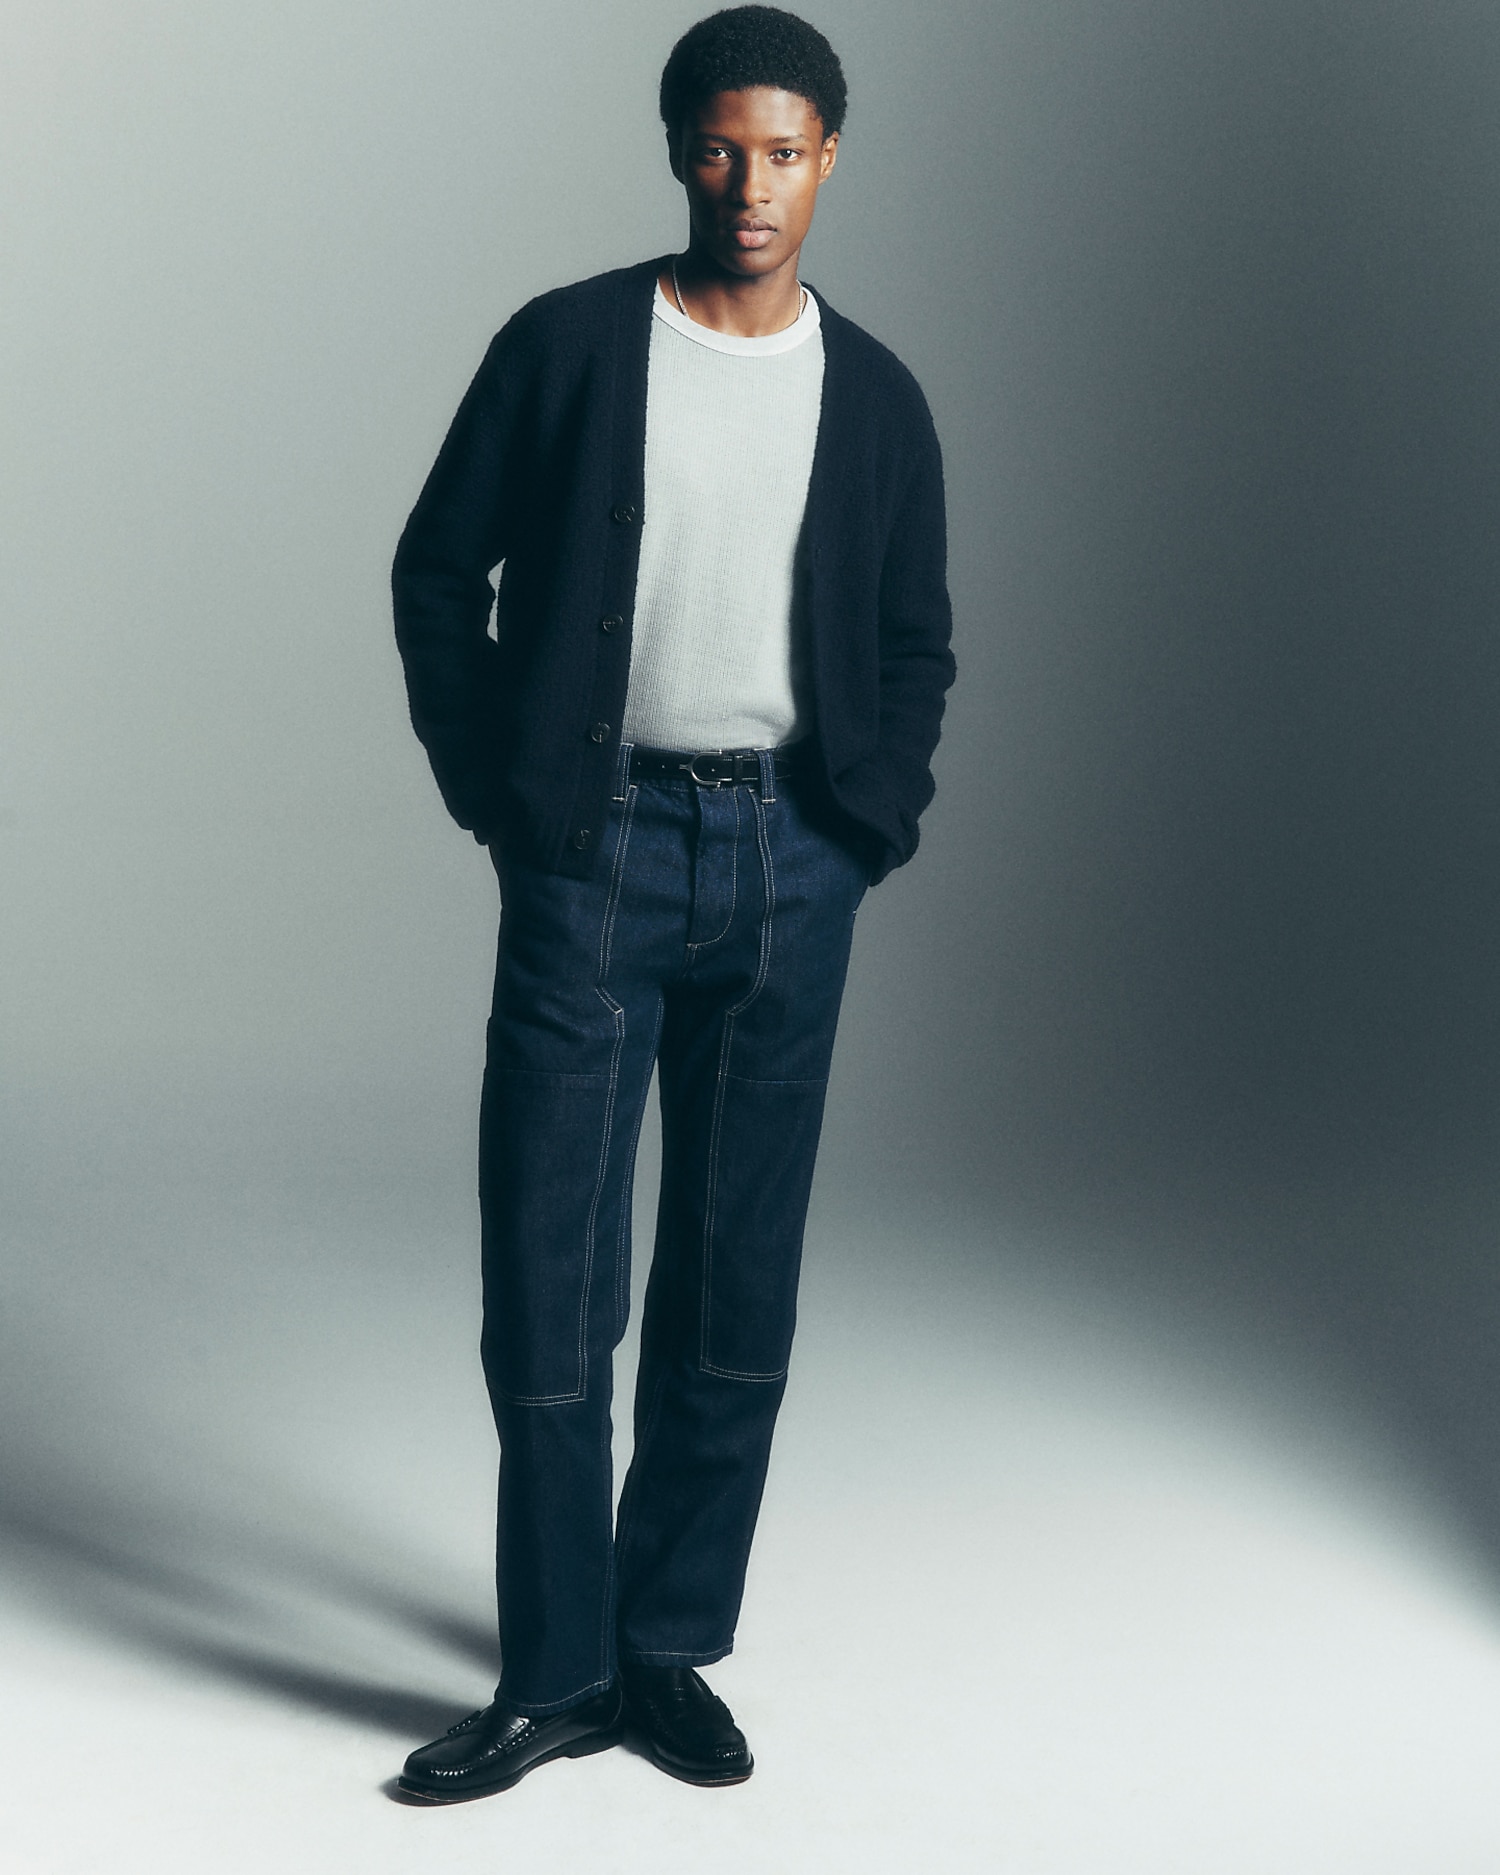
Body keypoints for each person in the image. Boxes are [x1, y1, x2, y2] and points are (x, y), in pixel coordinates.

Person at [390, 3, 953, 1802]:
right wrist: (511, 792)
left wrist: (870, 821)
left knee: (734, 1293)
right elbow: (434, 570)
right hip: (596, 854)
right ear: (675, 151)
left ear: (831, 161)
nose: (753, 184)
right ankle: (553, 1672)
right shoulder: (567, 347)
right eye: (722, 147)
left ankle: (663, 1650)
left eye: (786, 151)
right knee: (551, 1293)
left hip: (794, 861)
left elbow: (915, 641)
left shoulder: (873, 394)